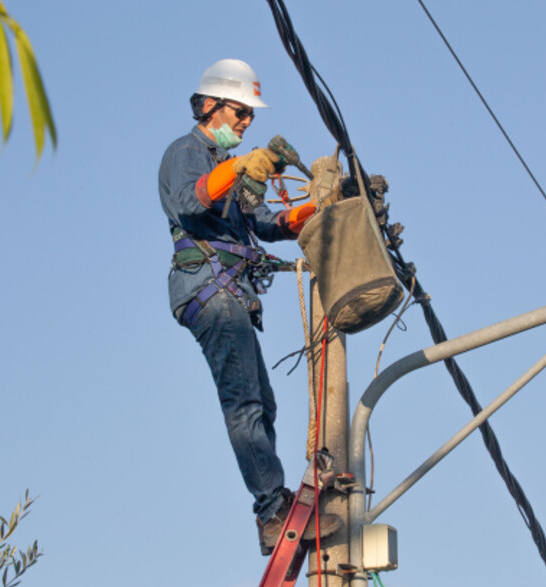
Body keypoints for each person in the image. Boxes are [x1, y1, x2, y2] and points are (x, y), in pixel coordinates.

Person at [157, 58, 339, 555]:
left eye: (250, 116)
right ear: (210, 106)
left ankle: (271, 503)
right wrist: (240, 165)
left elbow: (265, 224)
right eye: (240, 112)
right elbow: (192, 202)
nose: (246, 123)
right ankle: (270, 510)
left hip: (231, 293)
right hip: (207, 288)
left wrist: (317, 209)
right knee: (245, 406)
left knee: (264, 405)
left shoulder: (230, 171)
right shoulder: (186, 153)